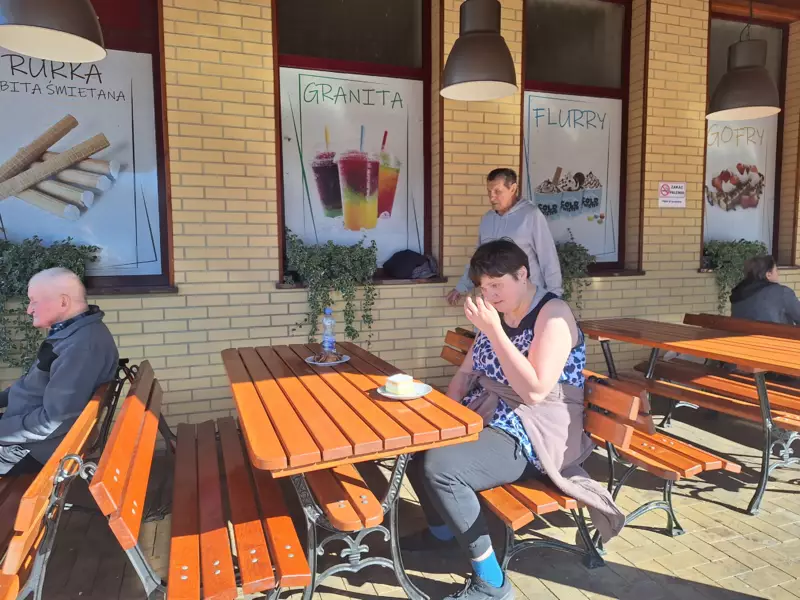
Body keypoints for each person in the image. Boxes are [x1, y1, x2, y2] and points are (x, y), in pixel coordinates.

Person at [405, 240, 622, 600]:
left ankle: (492, 582)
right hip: (495, 417)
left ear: (522, 274)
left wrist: (493, 330)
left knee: (442, 468)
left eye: (497, 284)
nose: (489, 295)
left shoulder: (553, 314)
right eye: (483, 287)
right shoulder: (499, 315)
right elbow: (464, 375)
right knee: (418, 449)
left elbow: (534, 391)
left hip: (538, 431)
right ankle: (441, 533)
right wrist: (442, 422)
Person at [0, 268, 119, 476]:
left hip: (34, 449)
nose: (29, 310)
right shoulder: (73, 334)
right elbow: (32, 384)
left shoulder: (81, 347)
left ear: (63, 302)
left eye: (34, 301)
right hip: (27, 430)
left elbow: (54, 421)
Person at [446, 168, 563, 306]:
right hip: (494, 299)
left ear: (513, 189)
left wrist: (554, 295)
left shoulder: (531, 215)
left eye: (497, 191)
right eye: (489, 191)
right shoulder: (487, 220)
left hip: (527, 299)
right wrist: (462, 287)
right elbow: (478, 260)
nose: (492, 197)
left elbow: (548, 257)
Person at [730, 255, 800, 325]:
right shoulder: (782, 293)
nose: (778, 273)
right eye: (776, 270)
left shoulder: (737, 295)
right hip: (775, 332)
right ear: (768, 274)